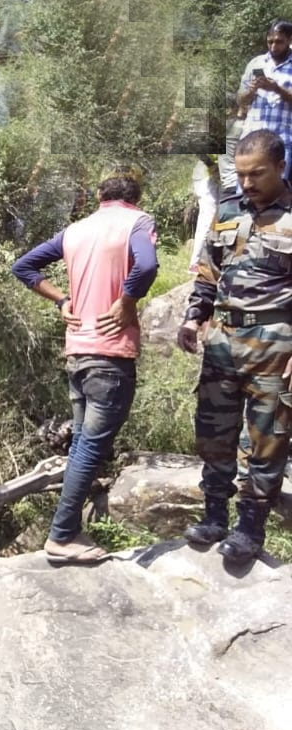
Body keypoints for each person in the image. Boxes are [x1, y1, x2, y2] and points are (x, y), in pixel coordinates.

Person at [12, 167, 159, 563]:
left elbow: (23, 266)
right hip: (110, 355)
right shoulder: (138, 221)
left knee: (81, 444)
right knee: (90, 448)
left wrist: (61, 299)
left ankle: (66, 531)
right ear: (135, 197)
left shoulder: (76, 229)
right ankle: (62, 535)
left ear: (99, 196)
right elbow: (146, 267)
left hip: (77, 353)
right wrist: (127, 301)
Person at [177, 129, 292, 563]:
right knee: (213, 434)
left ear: (281, 167)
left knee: (266, 441)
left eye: (257, 174)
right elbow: (209, 273)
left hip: (276, 345)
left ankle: (249, 529)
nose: (246, 184)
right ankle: (213, 517)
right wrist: (194, 316)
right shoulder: (228, 210)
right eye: (241, 175)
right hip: (222, 342)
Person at [237, 19, 292, 179]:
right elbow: (241, 101)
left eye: (279, 42)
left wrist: (277, 89)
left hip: (282, 140)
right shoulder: (256, 63)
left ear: (289, 40)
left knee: (277, 190)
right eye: (270, 42)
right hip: (251, 137)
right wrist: (251, 90)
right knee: (245, 191)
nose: (274, 46)